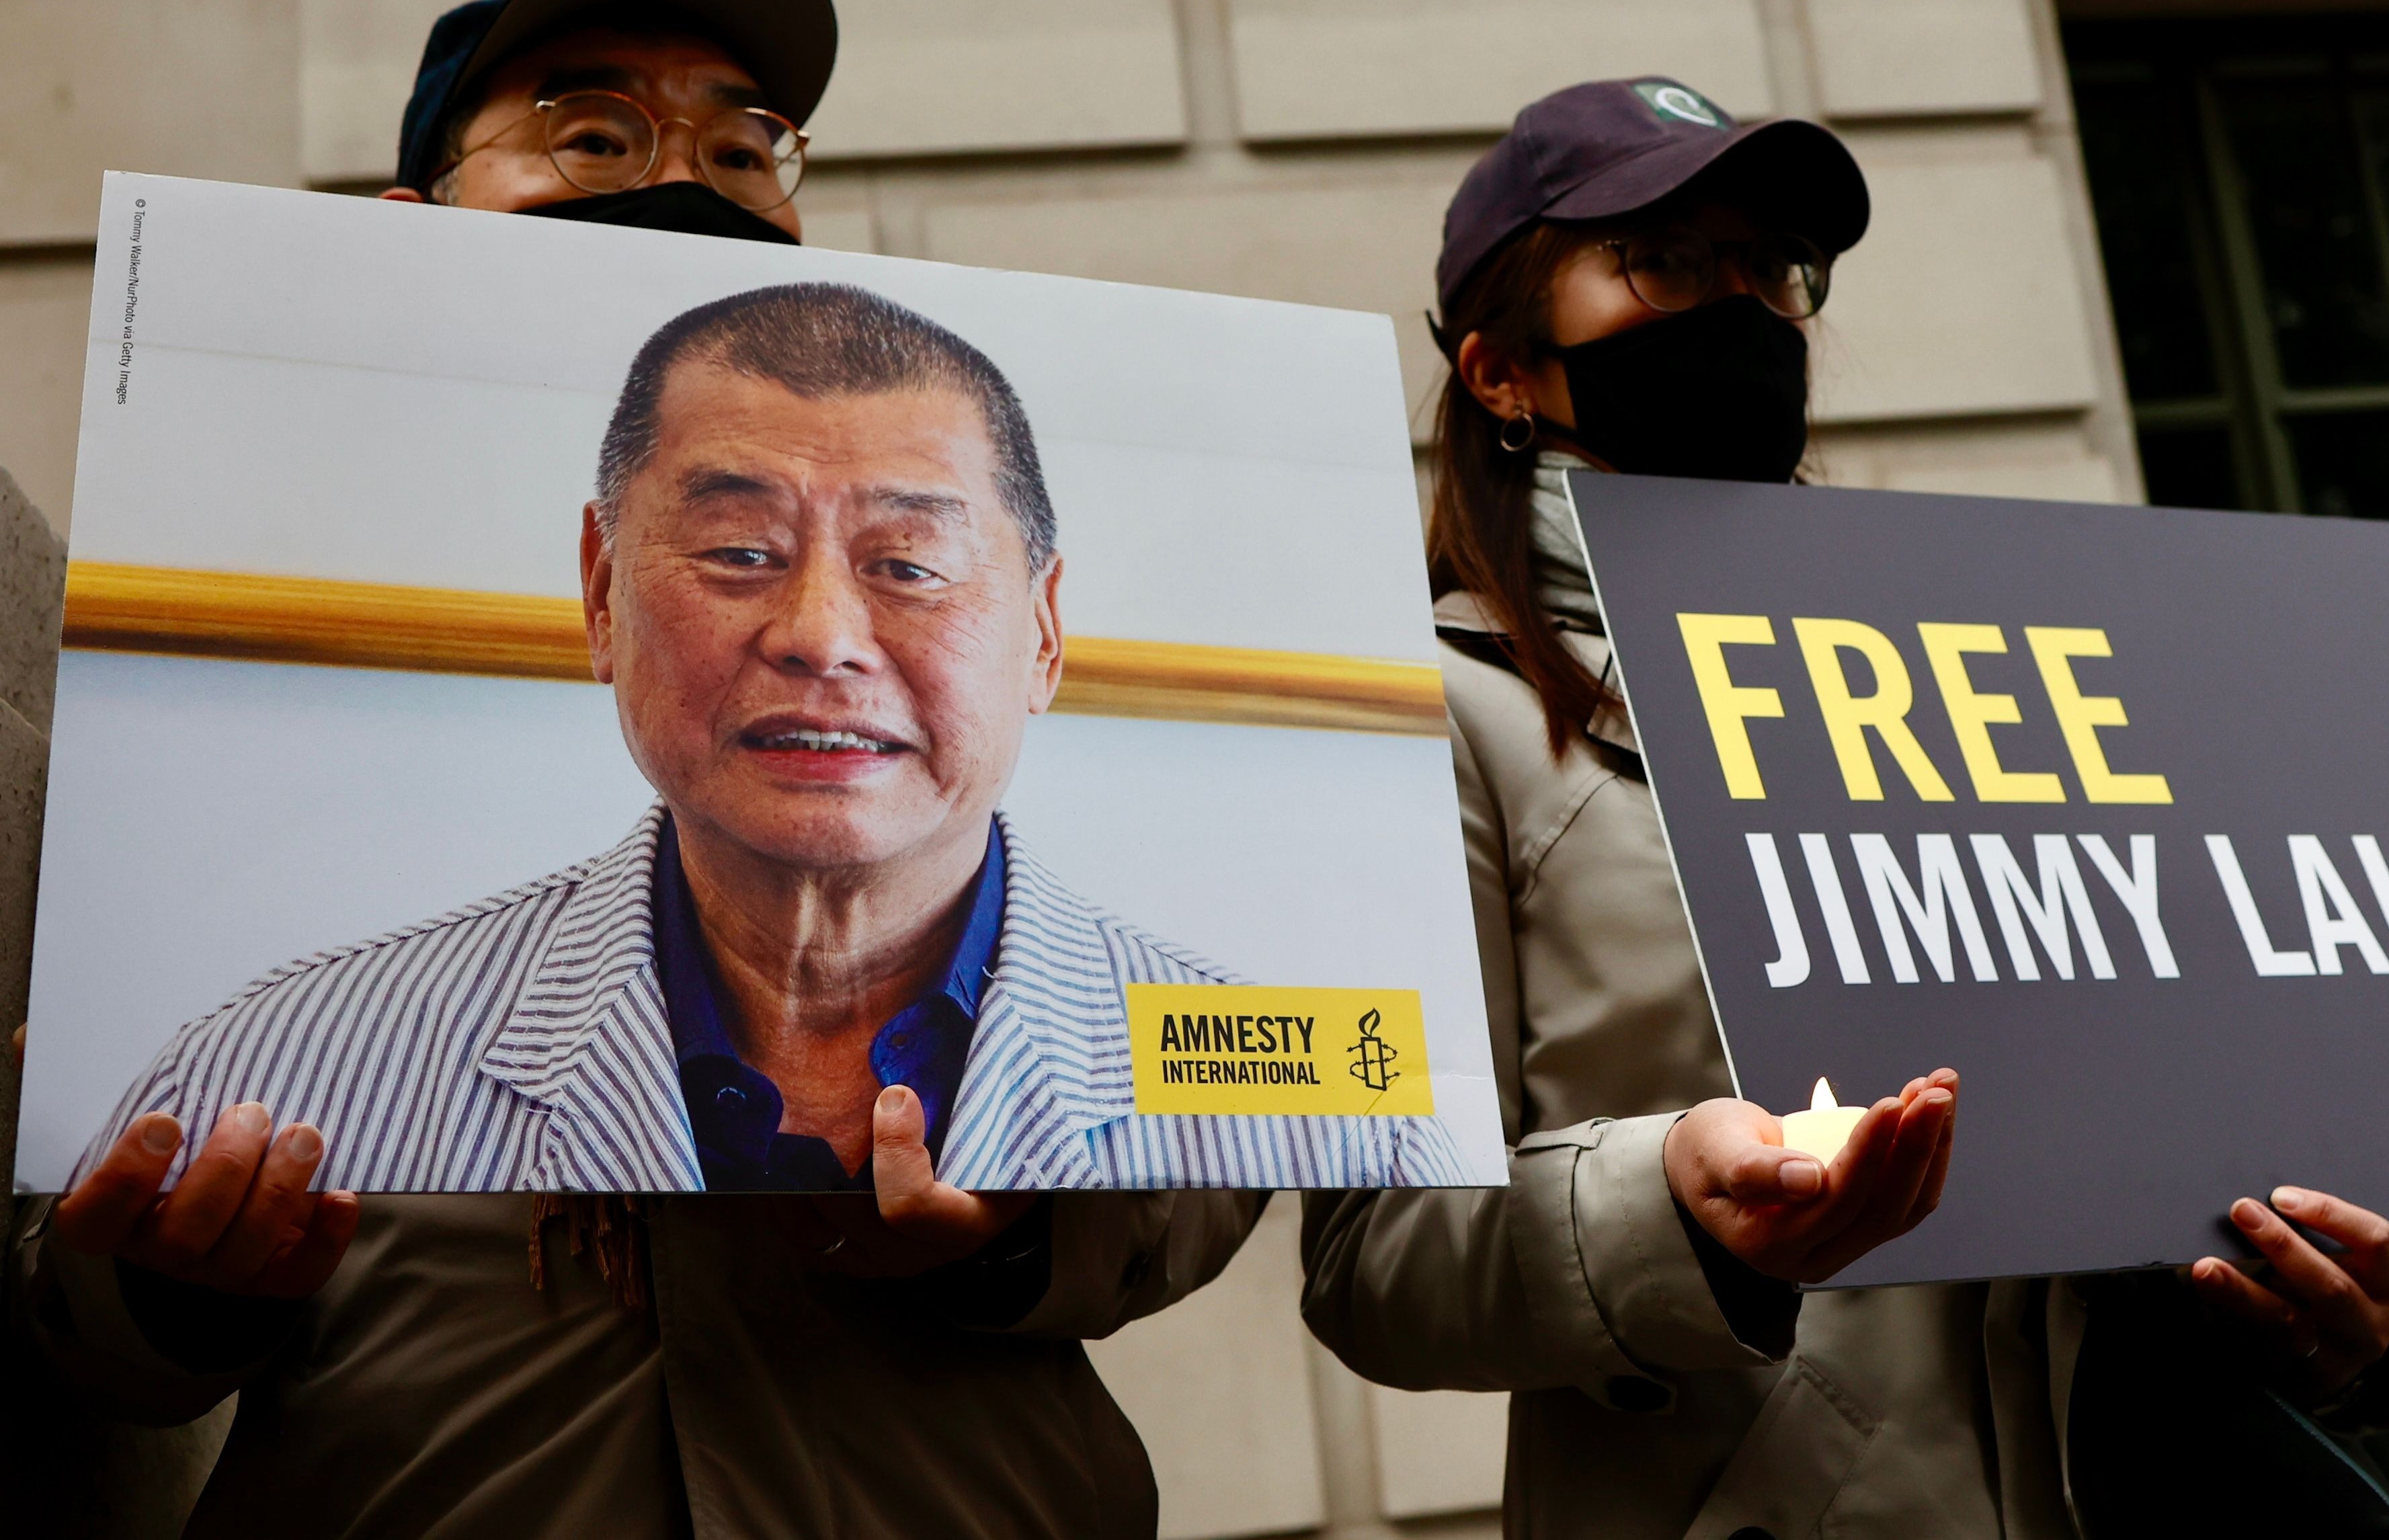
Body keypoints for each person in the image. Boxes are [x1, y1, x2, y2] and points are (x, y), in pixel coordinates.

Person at [16, 0, 1270, 1537]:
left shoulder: (1106, 908)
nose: (677, 171)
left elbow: (1223, 1143)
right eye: (588, 131)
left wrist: (1023, 1233)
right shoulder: (198, 722)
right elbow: (87, 1340)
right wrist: (175, 1293)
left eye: (744, 145)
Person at [1300, 77, 2389, 1538]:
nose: (1745, 307)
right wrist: (1672, 1213)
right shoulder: (1429, 712)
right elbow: (1370, 1255)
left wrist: (2299, 1305)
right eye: (1668, 260)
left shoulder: (1990, 678)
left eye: (1769, 268)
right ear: (1502, 369)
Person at [73, 278, 1467, 1194]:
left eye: (908, 565)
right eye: (737, 548)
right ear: (603, 591)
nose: (820, 633)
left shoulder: (1279, 1056)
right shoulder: (278, 1065)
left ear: (1043, 632)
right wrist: (155, 1318)